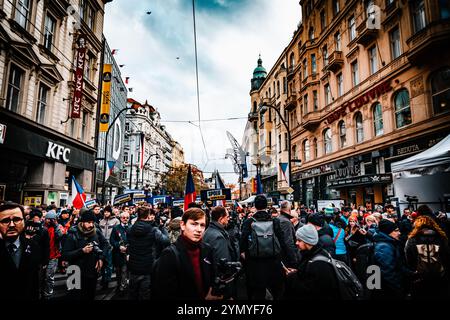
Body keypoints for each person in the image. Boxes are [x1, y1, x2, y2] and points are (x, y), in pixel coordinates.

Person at [152, 207, 221, 300]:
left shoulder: (207, 249)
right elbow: (164, 293)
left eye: (202, 225)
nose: (199, 229)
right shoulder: (169, 254)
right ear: (183, 225)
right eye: (194, 224)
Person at [240, 195, 287, 300]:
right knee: (277, 292)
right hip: (274, 263)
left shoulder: (249, 222)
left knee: (257, 294)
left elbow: (242, 241)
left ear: (255, 206)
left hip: (255, 264)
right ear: (267, 206)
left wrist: (245, 255)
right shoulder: (275, 221)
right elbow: (282, 241)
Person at [0, 202, 46, 300]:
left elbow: (35, 283)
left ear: (24, 221)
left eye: (16, 219)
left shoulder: (34, 247)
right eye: (5, 221)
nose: (11, 225)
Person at [62, 209, 110, 300]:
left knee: (89, 295)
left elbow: (106, 245)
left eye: (92, 222)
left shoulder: (96, 231)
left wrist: (101, 258)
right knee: (74, 297)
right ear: (82, 222)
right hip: (75, 272)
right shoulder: (73, 234)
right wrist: (82, 251)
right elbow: (65, 255)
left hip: (91, 271)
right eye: (88, 222)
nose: (91, 225)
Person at [284, 224, 340, 300]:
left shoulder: (318, 263)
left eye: (299, 240)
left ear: (308, 242)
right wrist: (296, 272)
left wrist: (292, 277)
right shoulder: (312, 254)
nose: (296, 243)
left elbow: (311, 290)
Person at [127, 207, 169, 300]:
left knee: (132, 293)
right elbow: (166, 241)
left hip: (133, 266)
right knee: (145, 294)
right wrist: (162, 227)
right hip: (147, 266)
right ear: (148, 215)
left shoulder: (130, 229)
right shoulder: (153, 230)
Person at [405, 215, 450, 299]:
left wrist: (414, 271)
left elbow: (409, 258)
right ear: (433, 224)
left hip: (420, 276)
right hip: (440, 276)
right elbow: (446, 256)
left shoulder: (412, 239)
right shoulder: (441, 237)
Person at [372, 219, 412, 300]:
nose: (399, 233)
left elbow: (398, 264)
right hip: (388, 291)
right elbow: (388, 273)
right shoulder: (384, 247)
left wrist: (411, 273)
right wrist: (399, 290)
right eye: (396, 231)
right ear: (388, 232)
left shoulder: (389, 243)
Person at [42, 210, 66, 299]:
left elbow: (60, 236)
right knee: (41, 277)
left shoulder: (58, 227)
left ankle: (48, 294)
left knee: (49, 277)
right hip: (43, 256)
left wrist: (56, 225)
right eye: (48, 219)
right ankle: (41, 292)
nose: (49, 221)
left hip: (53, 256)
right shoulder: (42, 227)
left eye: (51, 219)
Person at [98, 205, 119, 289]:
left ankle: (107, 280)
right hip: (102, 246)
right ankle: (103, 278)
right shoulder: (101, 221)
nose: (106, 213)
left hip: (110, 246)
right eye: (105, 212)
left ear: (110, 212)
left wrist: (114, 244)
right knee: (102, 264)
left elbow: (117, 235)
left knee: (109, 264)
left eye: (108, 212)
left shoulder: (116, 221)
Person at [110, 211, 130, 294]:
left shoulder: (131, 227)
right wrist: (118, 246)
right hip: (118, 254)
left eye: (127, 218)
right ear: (120, 218)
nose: (125, 219)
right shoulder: (116, 228)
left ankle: (123, 287)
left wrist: (129, 249)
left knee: (124, 271)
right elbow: (112, 240)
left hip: (127, 254)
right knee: (118, 272)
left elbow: (133, 241)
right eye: (123, 217)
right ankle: (119, 286)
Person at [277, 200, 300, 268]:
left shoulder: (279, 219)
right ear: (289, 210)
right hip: (286, 258)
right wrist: (294, 260)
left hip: (281, 255)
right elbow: (288, 242)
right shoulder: (285, 222)